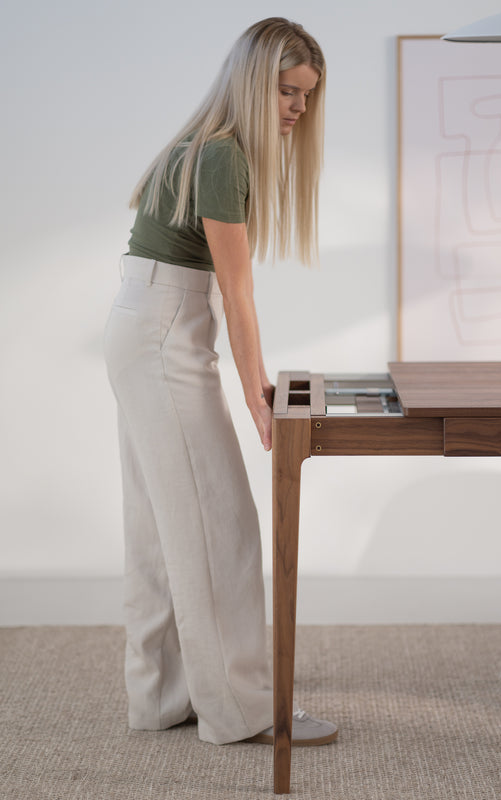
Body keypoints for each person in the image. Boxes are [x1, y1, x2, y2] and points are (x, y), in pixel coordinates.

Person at [103, 18, 337, 747]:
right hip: (166, 331)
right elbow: (238, 295)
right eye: (286, 90)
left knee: (160, 522)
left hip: (144, 321)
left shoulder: (201, 146)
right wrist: (257, 396)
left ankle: (162, 696)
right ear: (250, 79)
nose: (297, 109)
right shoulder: (224, 157)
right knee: (220, 525)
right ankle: (238, 708)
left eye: (306, 97)